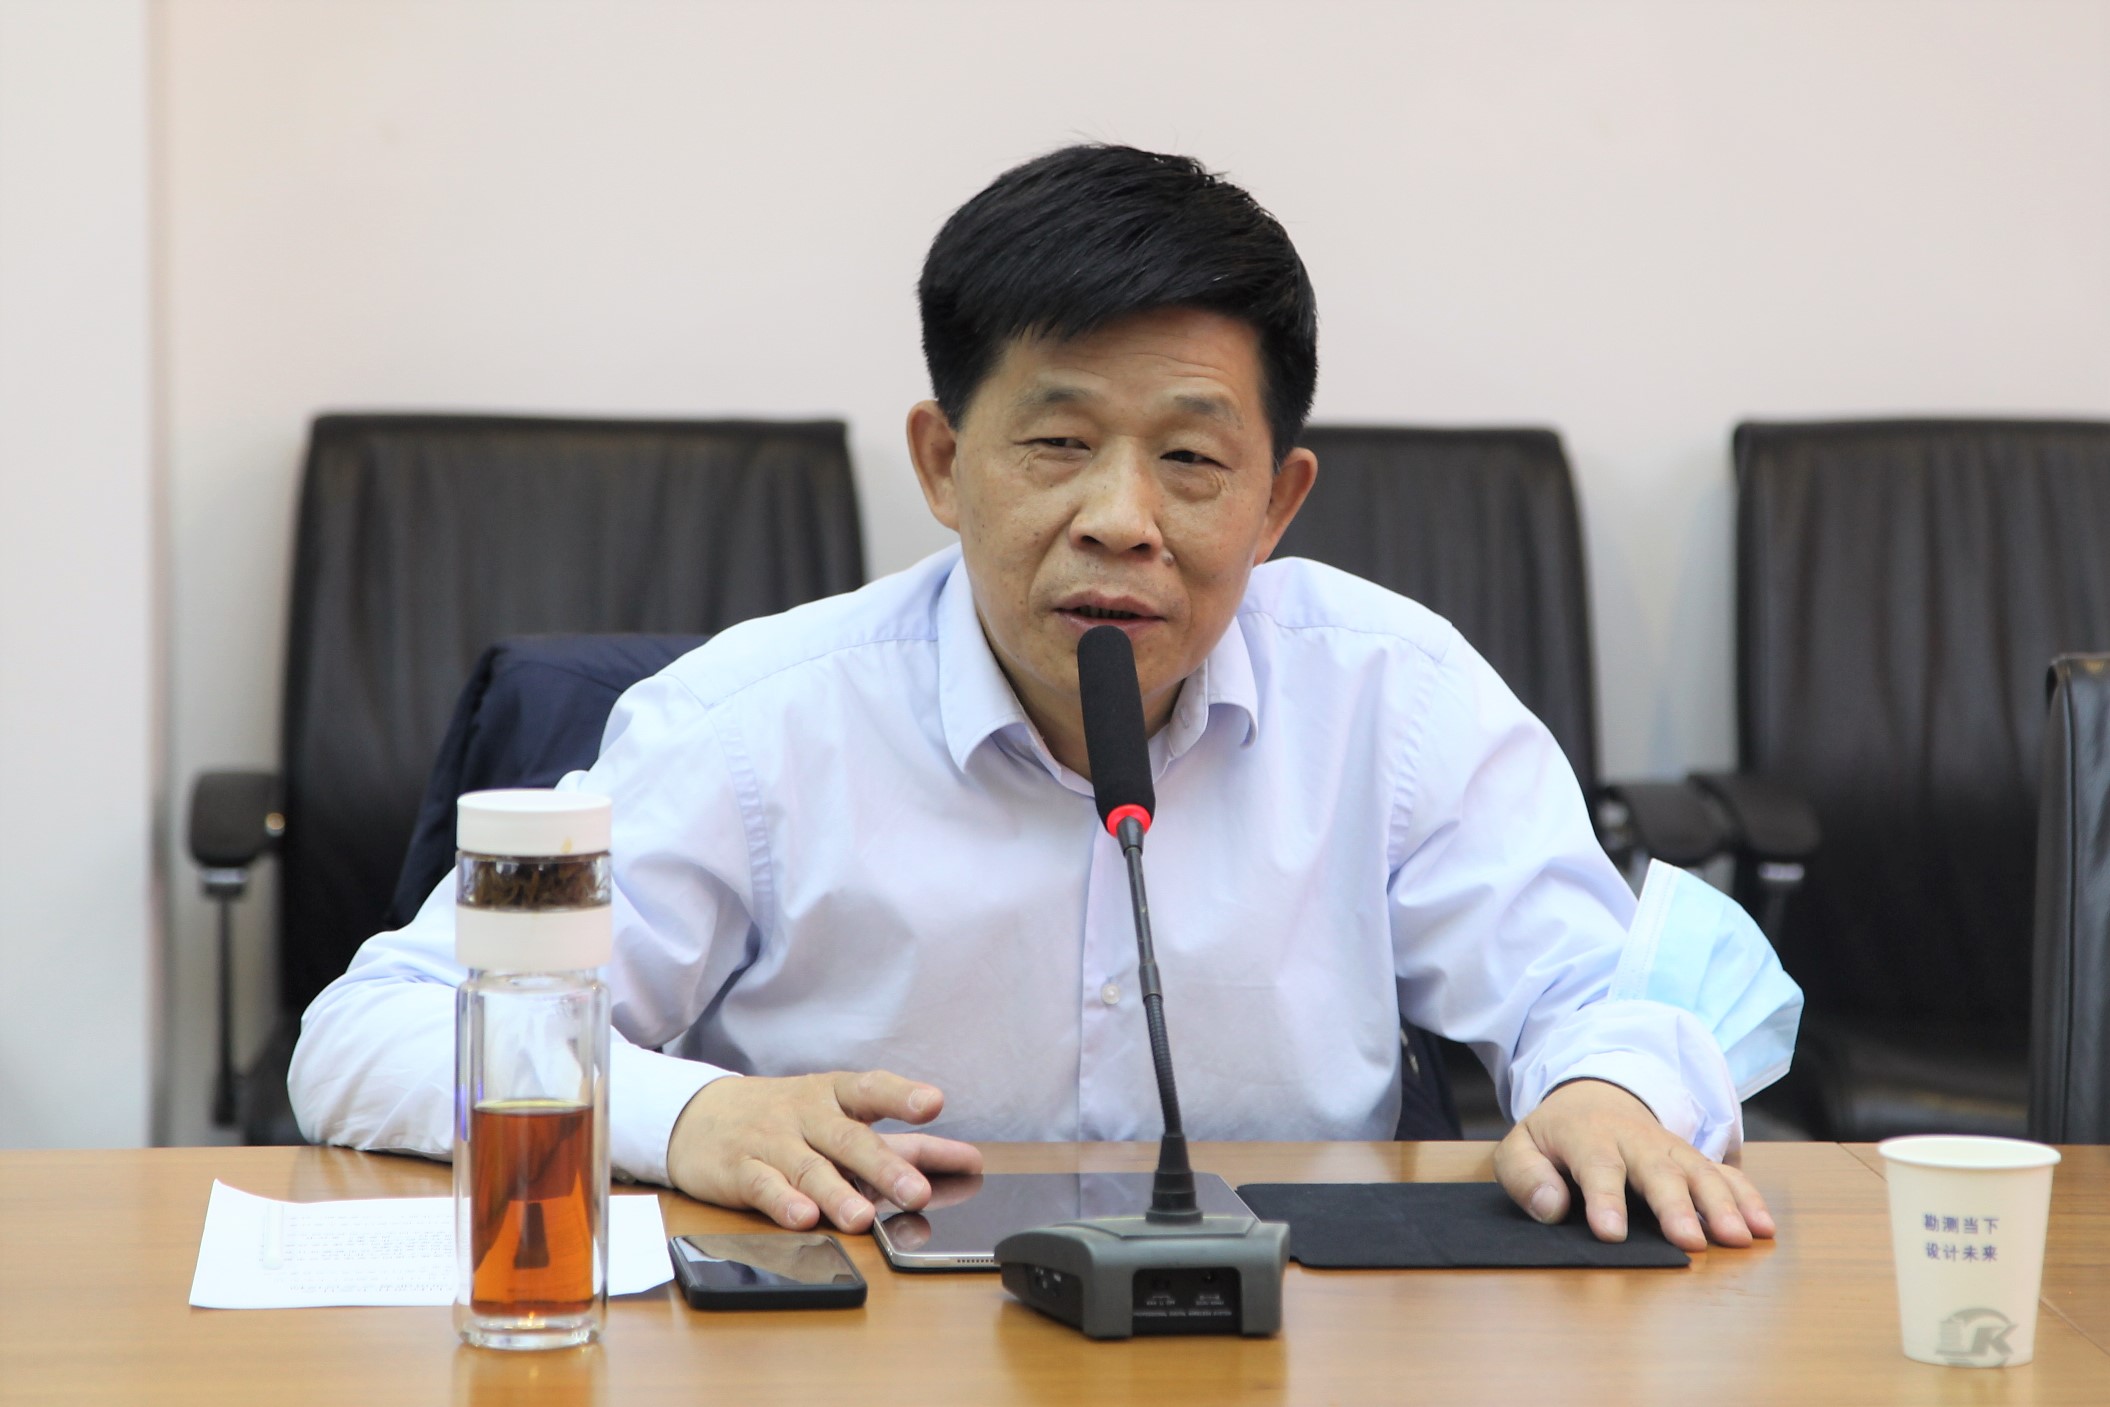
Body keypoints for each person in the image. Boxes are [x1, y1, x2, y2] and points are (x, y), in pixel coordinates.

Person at [292, 144, 1785, 1254]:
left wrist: (1607, 1091)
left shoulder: (1391, 699)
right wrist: (689, 1117)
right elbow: (376, 1032)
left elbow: (1601, 995)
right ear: (943, 464)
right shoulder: (751, 729)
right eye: (1057, 446)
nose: (1121, 522)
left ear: (1278, 501)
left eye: (1191, 461)